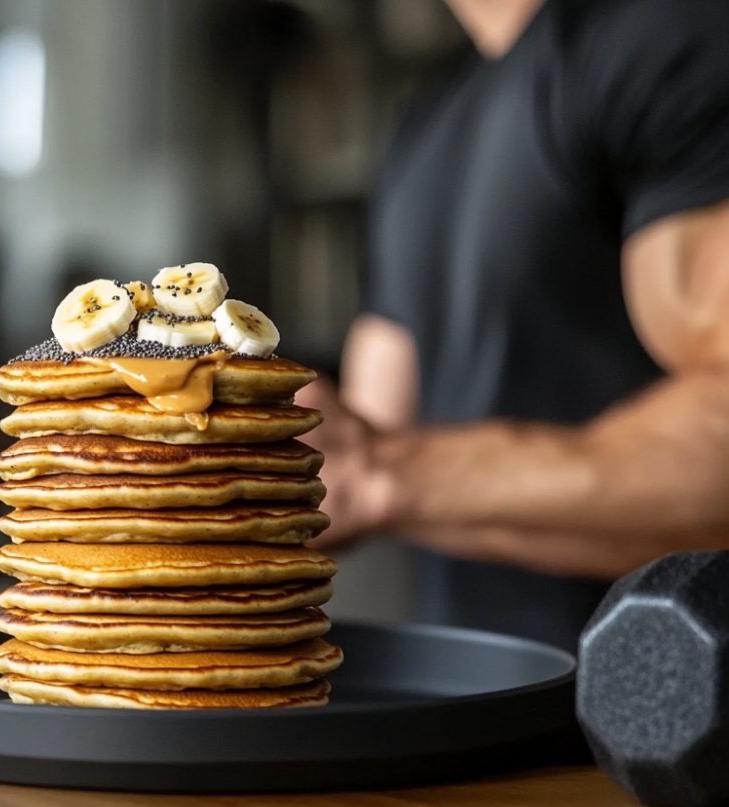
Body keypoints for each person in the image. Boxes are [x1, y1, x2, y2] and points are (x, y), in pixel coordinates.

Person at [296, 0, 729, 650]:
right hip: (472, 722)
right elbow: (353, 446)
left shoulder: (671, 37)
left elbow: (370, 467)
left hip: (664, 721)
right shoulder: (422, 127)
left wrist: (381, 473)